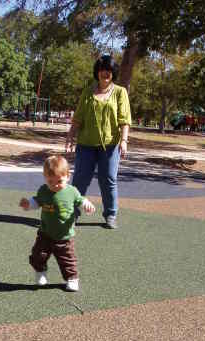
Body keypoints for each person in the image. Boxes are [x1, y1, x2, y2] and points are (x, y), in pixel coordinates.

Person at [65, 54, 131, 229]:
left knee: (108, 179)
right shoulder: (88, 92)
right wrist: (70, 136)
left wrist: (124, 141)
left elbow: (124, 120)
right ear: (97, 72)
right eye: (102, 70)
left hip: (110, 146)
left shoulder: (120, 92)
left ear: (113, 73)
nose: (105, 73)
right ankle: (73, 214)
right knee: (80, 179)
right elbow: (78, 118)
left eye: (109, 70)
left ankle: (110, 214)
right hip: (85, 144)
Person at [19, 155, 95, 292]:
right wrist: (28, 204)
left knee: (67, 260)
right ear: (45, 178)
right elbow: (37, 202)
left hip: (65, 236)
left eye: (59, 181)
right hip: (45, 233)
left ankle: (72, 278)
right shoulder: (44, 190)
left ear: (68, 176)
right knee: (37, 255)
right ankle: (40, 271)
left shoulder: (72, 191)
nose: (55, 185)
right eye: (50, 181)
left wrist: (87, 205)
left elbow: (80, 200)